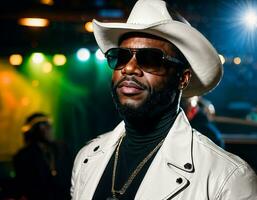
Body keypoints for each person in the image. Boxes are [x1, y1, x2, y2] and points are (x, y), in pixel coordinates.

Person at [71, 0, 257, 199]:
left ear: (183, 78)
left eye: (150, 58)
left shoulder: (227, 179)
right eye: (122, 56)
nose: (129, 68)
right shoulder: (87, 158)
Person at [13, 113, 72, 200]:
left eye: (49, 125)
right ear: (33, 131)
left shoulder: (62, 148)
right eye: (43, 125)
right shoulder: (23, 156)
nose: (49, 128)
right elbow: (23, 186)